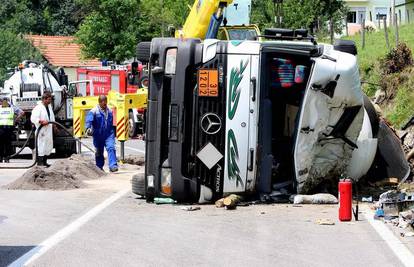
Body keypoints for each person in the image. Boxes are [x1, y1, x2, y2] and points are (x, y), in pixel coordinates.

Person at [85, 95, 118, 172]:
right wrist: (88, 128)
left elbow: (110, 122)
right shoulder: (94, 111)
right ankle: (99, 167)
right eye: (103, 101)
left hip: (108, 134)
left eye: (105, 101)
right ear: (99, 102)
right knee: (99, 151)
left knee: (111, 147)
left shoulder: (109, 110)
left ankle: (113, 166)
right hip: (98, 135)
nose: (104, 103)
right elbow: (89, 120)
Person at [31, 92, 55, 167]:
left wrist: (55, 126)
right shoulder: (38, 108)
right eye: (48, 99)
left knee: (48, 145)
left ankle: (45, 161)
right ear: (44, 99)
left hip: (48, 129)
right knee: (41, 145)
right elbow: (33, 118)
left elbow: (52, 117)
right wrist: (41, 122)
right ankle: (40, 162)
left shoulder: (49, 107)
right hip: (41, 130)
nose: (50, 101)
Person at [0, 97, 24, 162]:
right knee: (2, 143)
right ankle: (2, 157)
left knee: (7, 143)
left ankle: (6, 157)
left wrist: (15, 120)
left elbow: (22, 112)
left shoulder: (12, 107)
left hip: (8, 128)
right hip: (1, 128)